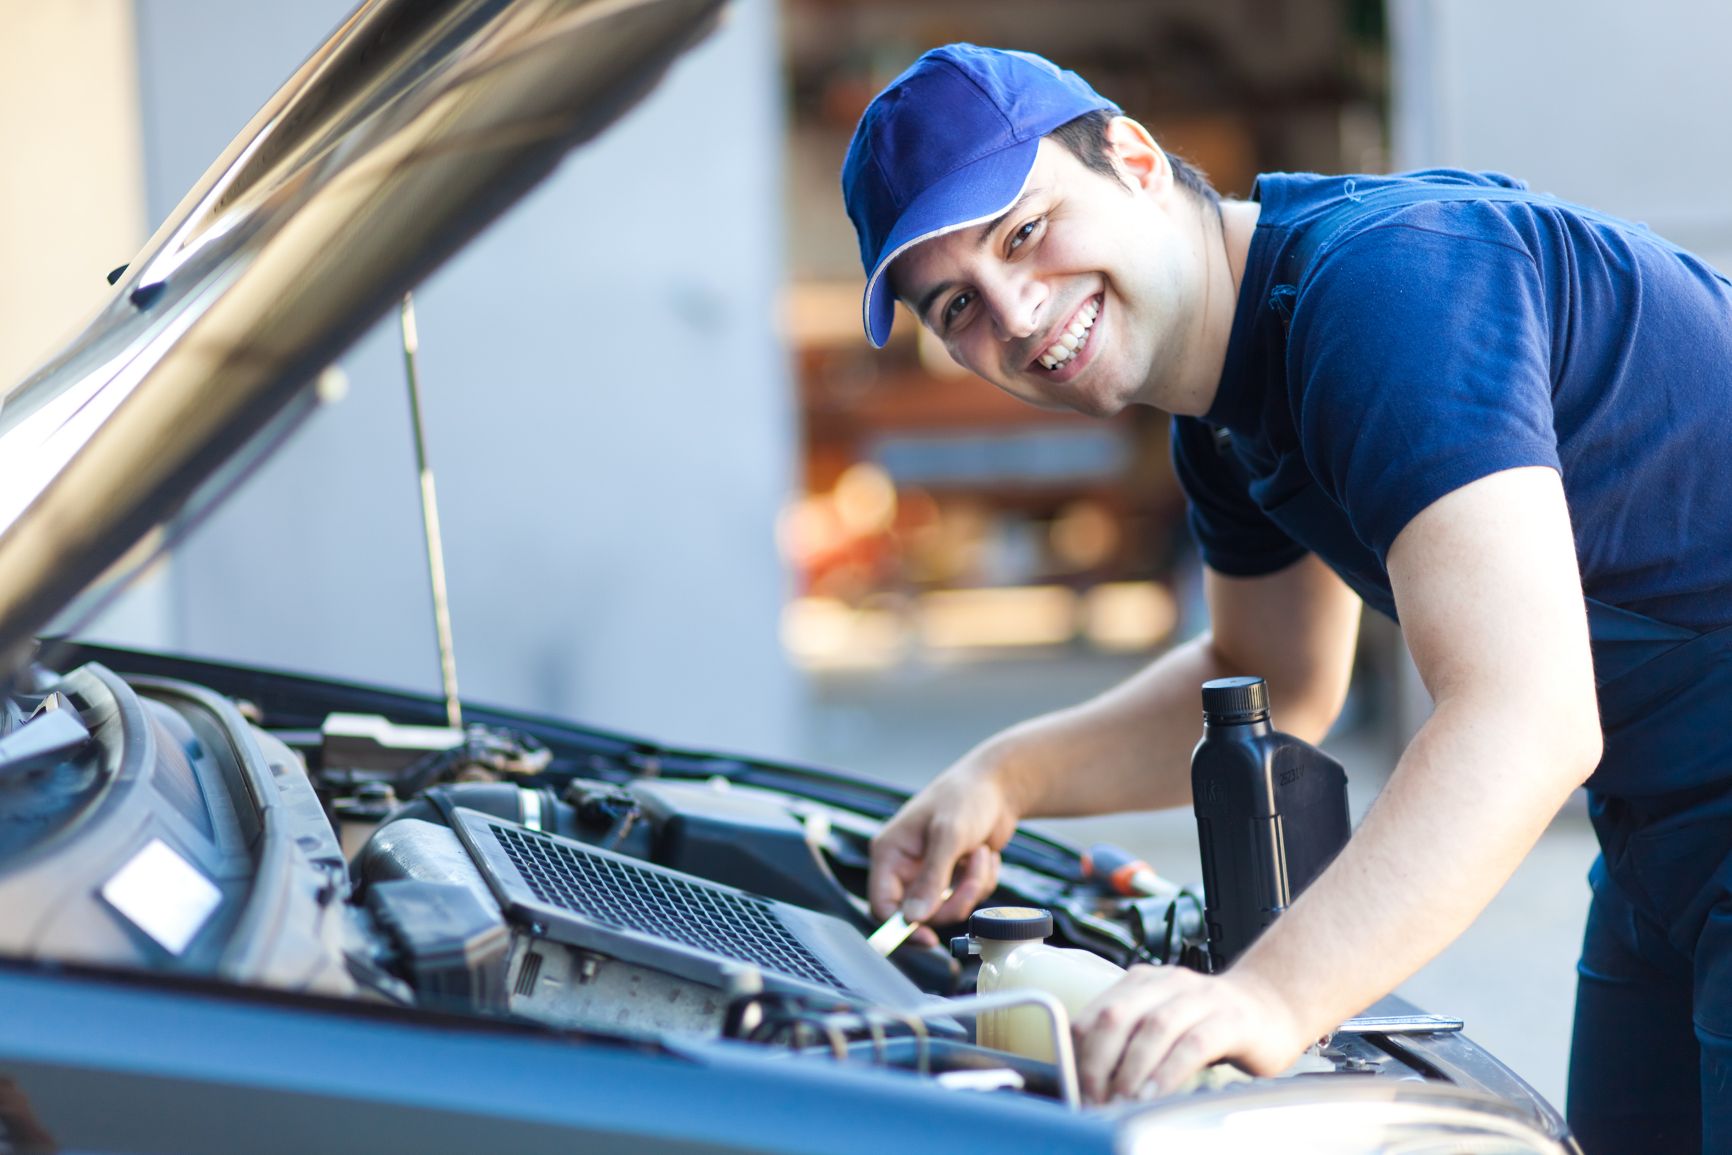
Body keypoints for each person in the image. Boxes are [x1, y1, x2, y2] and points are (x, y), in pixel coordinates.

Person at [840, 43, 1732, 1151]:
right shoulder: (1224, 418)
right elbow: (1269, 684)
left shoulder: (1386, 293)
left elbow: (1525, 716)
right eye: (956, 306)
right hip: (1662, 839)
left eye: (1024, 231)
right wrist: (1002, 776)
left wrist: (1268, 998)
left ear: (1132, 156)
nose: (1014, 317)